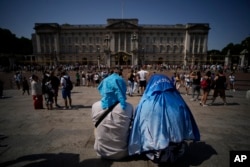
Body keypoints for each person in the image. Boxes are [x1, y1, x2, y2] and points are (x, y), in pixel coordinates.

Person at [128, 74, 200, 164]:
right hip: (177, 152)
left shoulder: (145, 102)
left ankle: (158, 149)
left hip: (153, 154)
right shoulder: (179, 101)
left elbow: (138, 126)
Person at [91, 72, 134, 160]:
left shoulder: (95, 106)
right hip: (123, 152)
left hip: (101, 152)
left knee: (96, 127)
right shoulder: (128, 107)